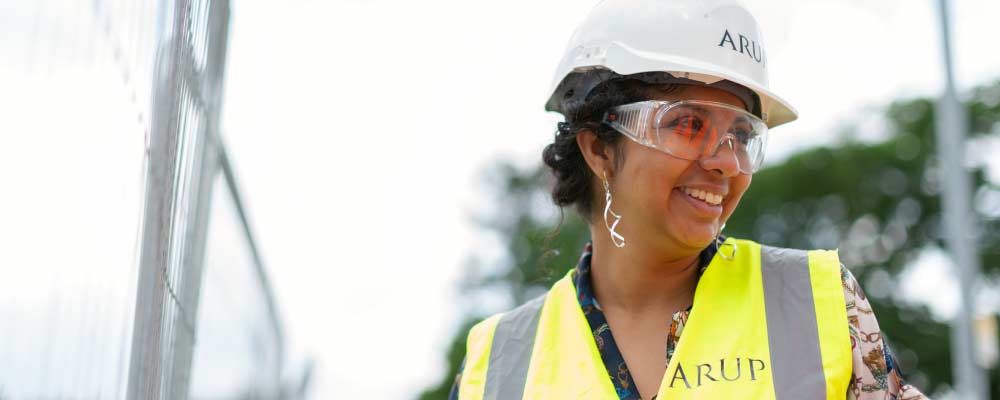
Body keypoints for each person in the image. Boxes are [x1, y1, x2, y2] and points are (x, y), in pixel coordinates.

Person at [450, 0, 930, 399]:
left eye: (742, 135)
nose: (728, 162)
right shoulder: (497, 363)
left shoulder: (816, 301)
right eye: (687, 124)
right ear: (599, 148)